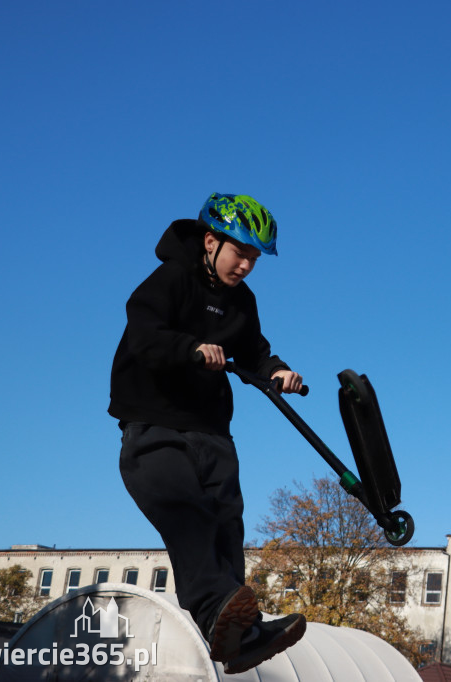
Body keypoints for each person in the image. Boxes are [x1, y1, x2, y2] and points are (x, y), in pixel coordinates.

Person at [108, 193, 306, 674]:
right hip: (154, 425)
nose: (246, 266)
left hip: (212, 429)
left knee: (226, 521)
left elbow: (254, 349)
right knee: (188, 513)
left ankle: (238, 634)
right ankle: (220, 611)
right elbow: (144, 333)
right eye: (241, 253)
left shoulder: (242, 301)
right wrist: (191, 347)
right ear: (211, 242)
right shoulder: (171, 279)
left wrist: (277, 370)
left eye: (255, 259)